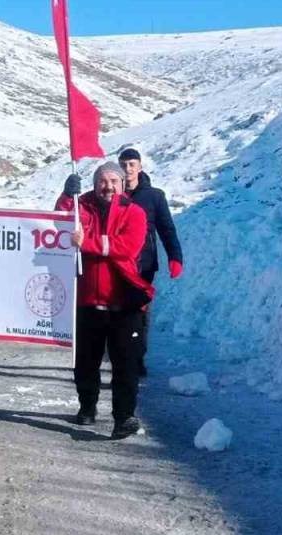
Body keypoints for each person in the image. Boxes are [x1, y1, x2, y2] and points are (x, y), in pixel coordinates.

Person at [57, 162, 154, 440]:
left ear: (123, 184)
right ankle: (87, 406)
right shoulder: (81, 205)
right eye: (102, 181)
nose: (108, 186)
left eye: (114, 181)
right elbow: (59, 223)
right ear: (94, 183)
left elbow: (127, 247)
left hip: (124, 301)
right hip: (87, 298)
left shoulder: (133, 212)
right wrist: (66, 195)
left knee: (126, 364)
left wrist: (87, 243)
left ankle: (124, 417)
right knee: (86, 362)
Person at [117, 149, 184, 376]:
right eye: (124, 164)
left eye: (132, 164)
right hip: (115, 265)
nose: (127, 169)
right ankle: (119, 358)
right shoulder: (110, 194)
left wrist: (175, 256)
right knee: (115, 313)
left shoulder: (154, 196)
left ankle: (137, 358)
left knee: (139, 313)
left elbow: (166, 228)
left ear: (140, 167)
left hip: (143, 266)